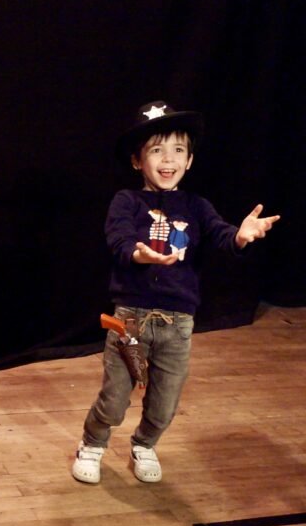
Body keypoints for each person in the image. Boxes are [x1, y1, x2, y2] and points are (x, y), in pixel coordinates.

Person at [71, 101, 279, 484]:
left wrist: (240, 235)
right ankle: (93, 442)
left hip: (178, 323)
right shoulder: (126, 201)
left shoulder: (197, 206)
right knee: (116, 397)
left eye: (178, 150)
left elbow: (221, 235)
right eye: (156, 150)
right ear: (137, 161)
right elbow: (118, 239)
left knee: (165, 402)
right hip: (129, 320)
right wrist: (140, 253)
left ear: (190, 160)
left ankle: (145, 443)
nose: (168, 159)